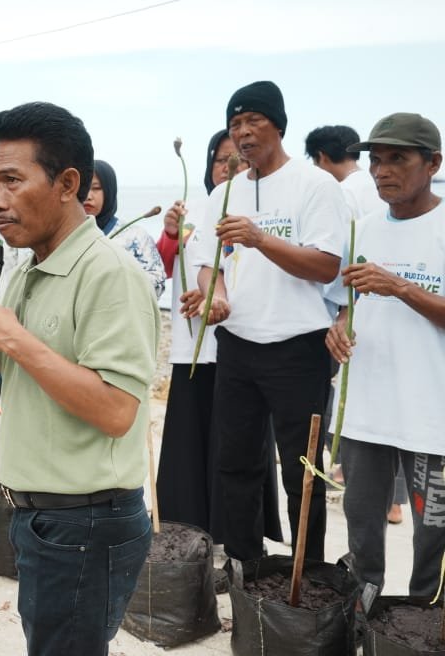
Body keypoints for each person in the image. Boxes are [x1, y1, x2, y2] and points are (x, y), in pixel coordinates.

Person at [0, 101, 157, 655]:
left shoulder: (110, 274)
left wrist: (15, 338)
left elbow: (117, 411)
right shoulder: (27, 263)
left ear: (67, 183)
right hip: (41, 517)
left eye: (12, 181)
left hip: (86, 522)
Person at [187, 80, 348, 564]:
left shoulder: (315, 185)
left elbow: (326, 266)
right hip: (237, 345)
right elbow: (208, 260)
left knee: (301, 470)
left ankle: (307, 572)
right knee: (235, 464)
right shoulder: (225, 192)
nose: (243, 133)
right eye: (235, 125)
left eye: (254, 121)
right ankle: (243, 567)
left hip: (299, 347)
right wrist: (215, 296)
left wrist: (260, 240)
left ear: (278, 125)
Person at [325, 112, 445, 598]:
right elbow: (344, 305)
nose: (382, 170)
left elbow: (396, 293)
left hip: (430, 414)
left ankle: (425, 625)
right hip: (367, 411)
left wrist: (398, 286)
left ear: (433, 163)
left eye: (398, 158)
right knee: (363, 532)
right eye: (375, 159)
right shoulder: (363, 228)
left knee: (433, 538)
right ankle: (362, 618)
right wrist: (337, 329)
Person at [154, 131, 283, 547]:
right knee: (190, 440)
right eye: (221, 159)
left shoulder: (261, 215)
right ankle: (185, 534)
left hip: (244, 345)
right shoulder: (193, 211)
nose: (230, 167)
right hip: (194, 345)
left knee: (237, 446)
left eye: (239, 160)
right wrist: (172, 235)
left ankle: (237, 536)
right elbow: (161, 266)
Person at [306, 123, 405, 523]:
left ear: (322, 159)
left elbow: (340, 271)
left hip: (368, 324)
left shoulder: (344, 194)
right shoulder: (371, 201)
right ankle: (391, 500)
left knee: (355, 406)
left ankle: (369, 486)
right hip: (379, 330)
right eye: (378, 159)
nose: (383, 170)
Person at [83, 159, 165, 297]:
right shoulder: (64, 235)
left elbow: (158, 282)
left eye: (96, 188)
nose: (88, 196)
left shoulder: (134, 236)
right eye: (83, 189)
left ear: (109, 190)